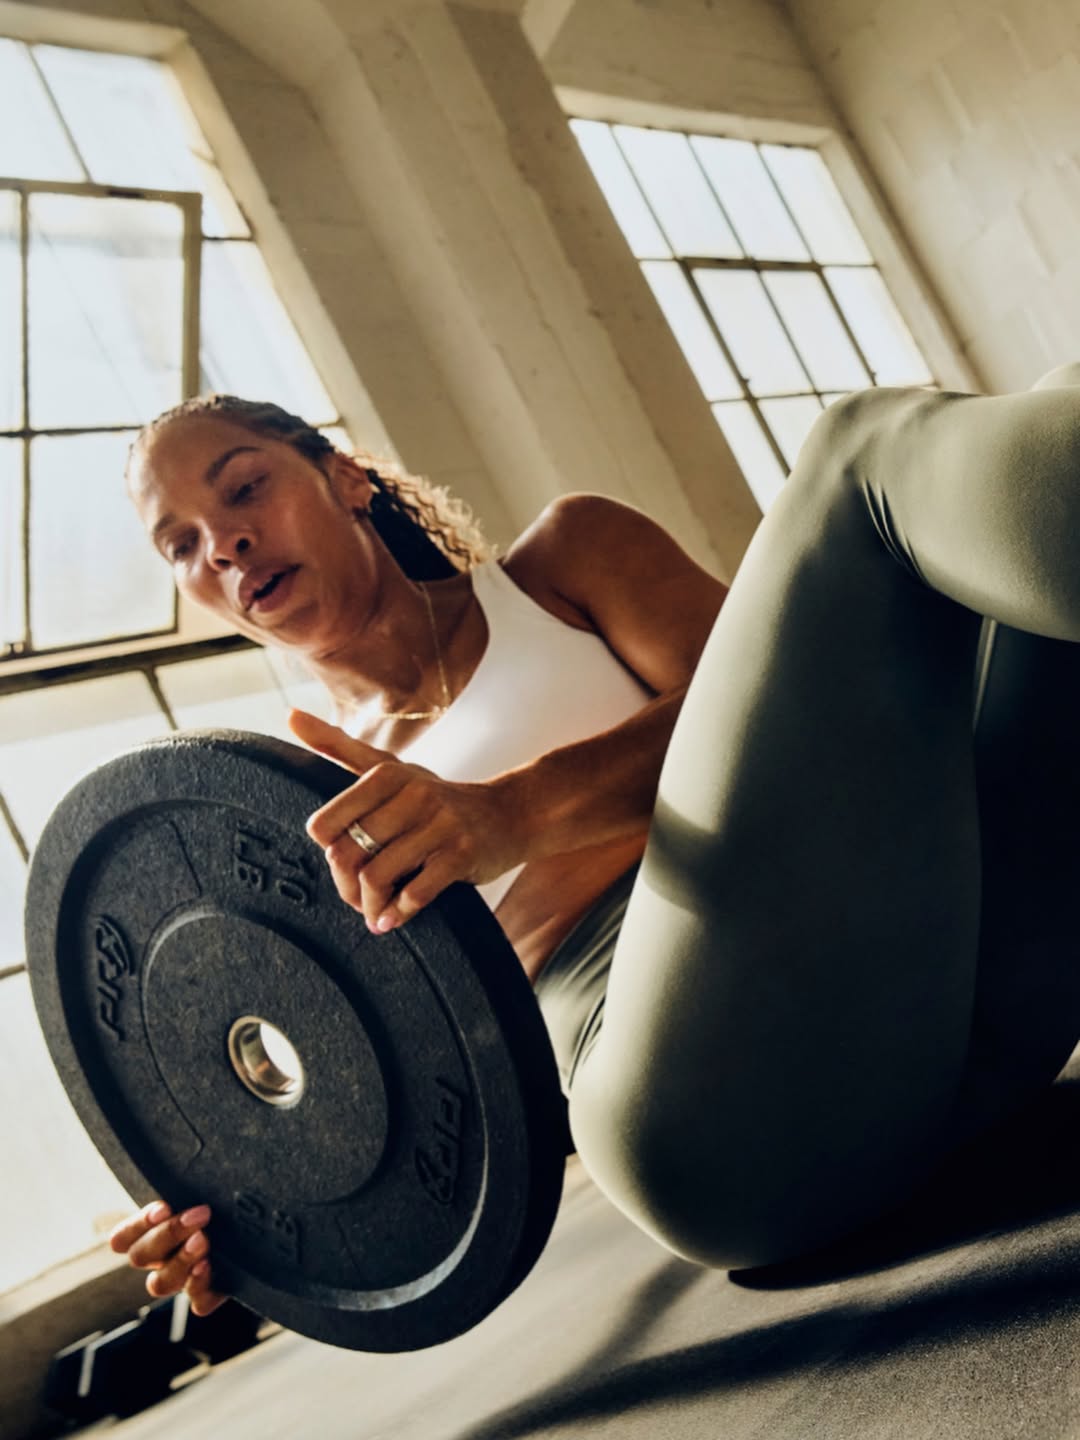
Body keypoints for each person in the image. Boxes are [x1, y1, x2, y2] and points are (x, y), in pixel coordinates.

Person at [109, 372, 1080, 1321]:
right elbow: (375, 1099)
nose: (225, 542)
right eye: (181, 545)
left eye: (245, 488)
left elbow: (797, 722)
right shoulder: (309, 811)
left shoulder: (571, 561)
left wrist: (511, 813)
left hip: (959, 1003)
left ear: (347, 478)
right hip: (717, 1118)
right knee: (859, 450)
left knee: (1044, 475)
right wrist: (238, 1227)